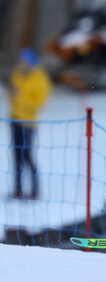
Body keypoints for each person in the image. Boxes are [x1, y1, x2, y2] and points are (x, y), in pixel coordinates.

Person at [5, 48, 53, 200]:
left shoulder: (40, 78)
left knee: (27, 156)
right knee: (16, 155)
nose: (22, 63)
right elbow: (12, 95)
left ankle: (34, 189)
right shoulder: (18, 74)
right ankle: (17, 189)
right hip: (14, 119)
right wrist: (11, 95)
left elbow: (39, 102)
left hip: (28, 123)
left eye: (25, 60)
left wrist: (19, 98)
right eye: (21, 60)